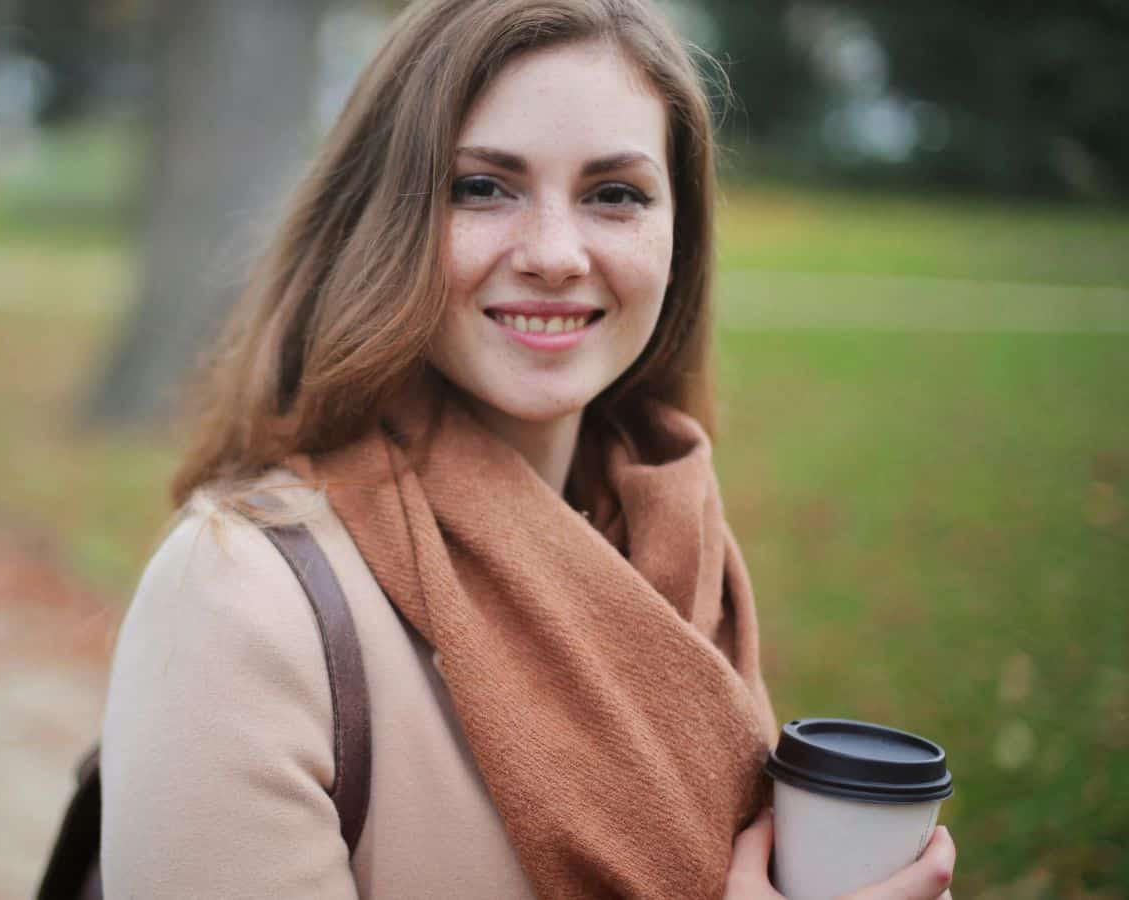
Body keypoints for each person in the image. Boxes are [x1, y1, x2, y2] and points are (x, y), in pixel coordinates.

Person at [97, 1, 957, 897]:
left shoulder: (678, 548)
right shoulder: (239, 596)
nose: (554, 253)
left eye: (614, 194)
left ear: (680, 236)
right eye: (482, 187)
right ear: (379, 220)